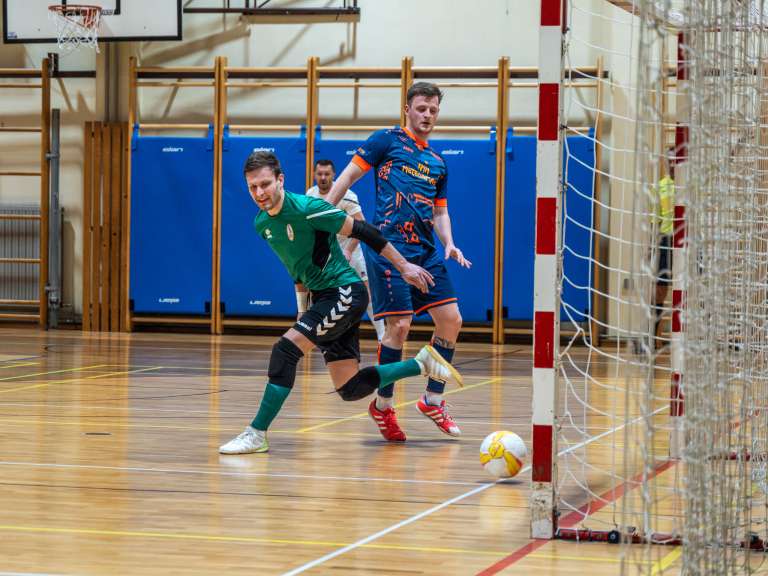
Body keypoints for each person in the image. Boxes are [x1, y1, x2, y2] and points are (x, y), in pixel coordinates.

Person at [219, 151, 463, 455]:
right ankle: (421, 363)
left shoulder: (309, 208)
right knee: (350, 388)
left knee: (284, 351)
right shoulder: (262, 224)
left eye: (265, 184)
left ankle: (256, 433)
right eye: (252, 187)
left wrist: (404, 267)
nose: (259, 193)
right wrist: (302, 311)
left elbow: (365, 231)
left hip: (344, 292)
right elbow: (298, 268)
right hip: (322, 297)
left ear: (280, 180)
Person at [325, 82, 471, 441]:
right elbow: (347, 176)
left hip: (426, 252)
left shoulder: (438, 162)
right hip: (388, 249)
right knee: (399, 329)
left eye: (433, 110)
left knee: (451, 320)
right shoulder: (385, 140)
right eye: (421, 108)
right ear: (407, 108)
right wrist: (324, 211)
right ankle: (383, 407)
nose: (427, 116)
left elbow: (441, 212)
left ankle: (433, 399)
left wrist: (450, 243)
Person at [306, 159, 385, 341]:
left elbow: (362, 225)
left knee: (367, 291)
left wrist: (348, 251)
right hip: (326, 254)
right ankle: (321, 333)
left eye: (327, 174)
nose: (323, 178)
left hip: (350, 251)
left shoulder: (347, 195)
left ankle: (382, 334)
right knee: (324, 293)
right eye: (320, 174)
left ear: (334, 175)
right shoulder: (310, 194)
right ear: (314, 175)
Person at [652, 149, 675, 348]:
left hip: (688, 240)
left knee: (698, 285)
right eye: (670, 160)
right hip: (666, 240)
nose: (672, 163)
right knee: (660, 290)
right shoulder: (661, 187)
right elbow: (655, 220)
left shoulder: (690, 185)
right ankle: (654, 337)